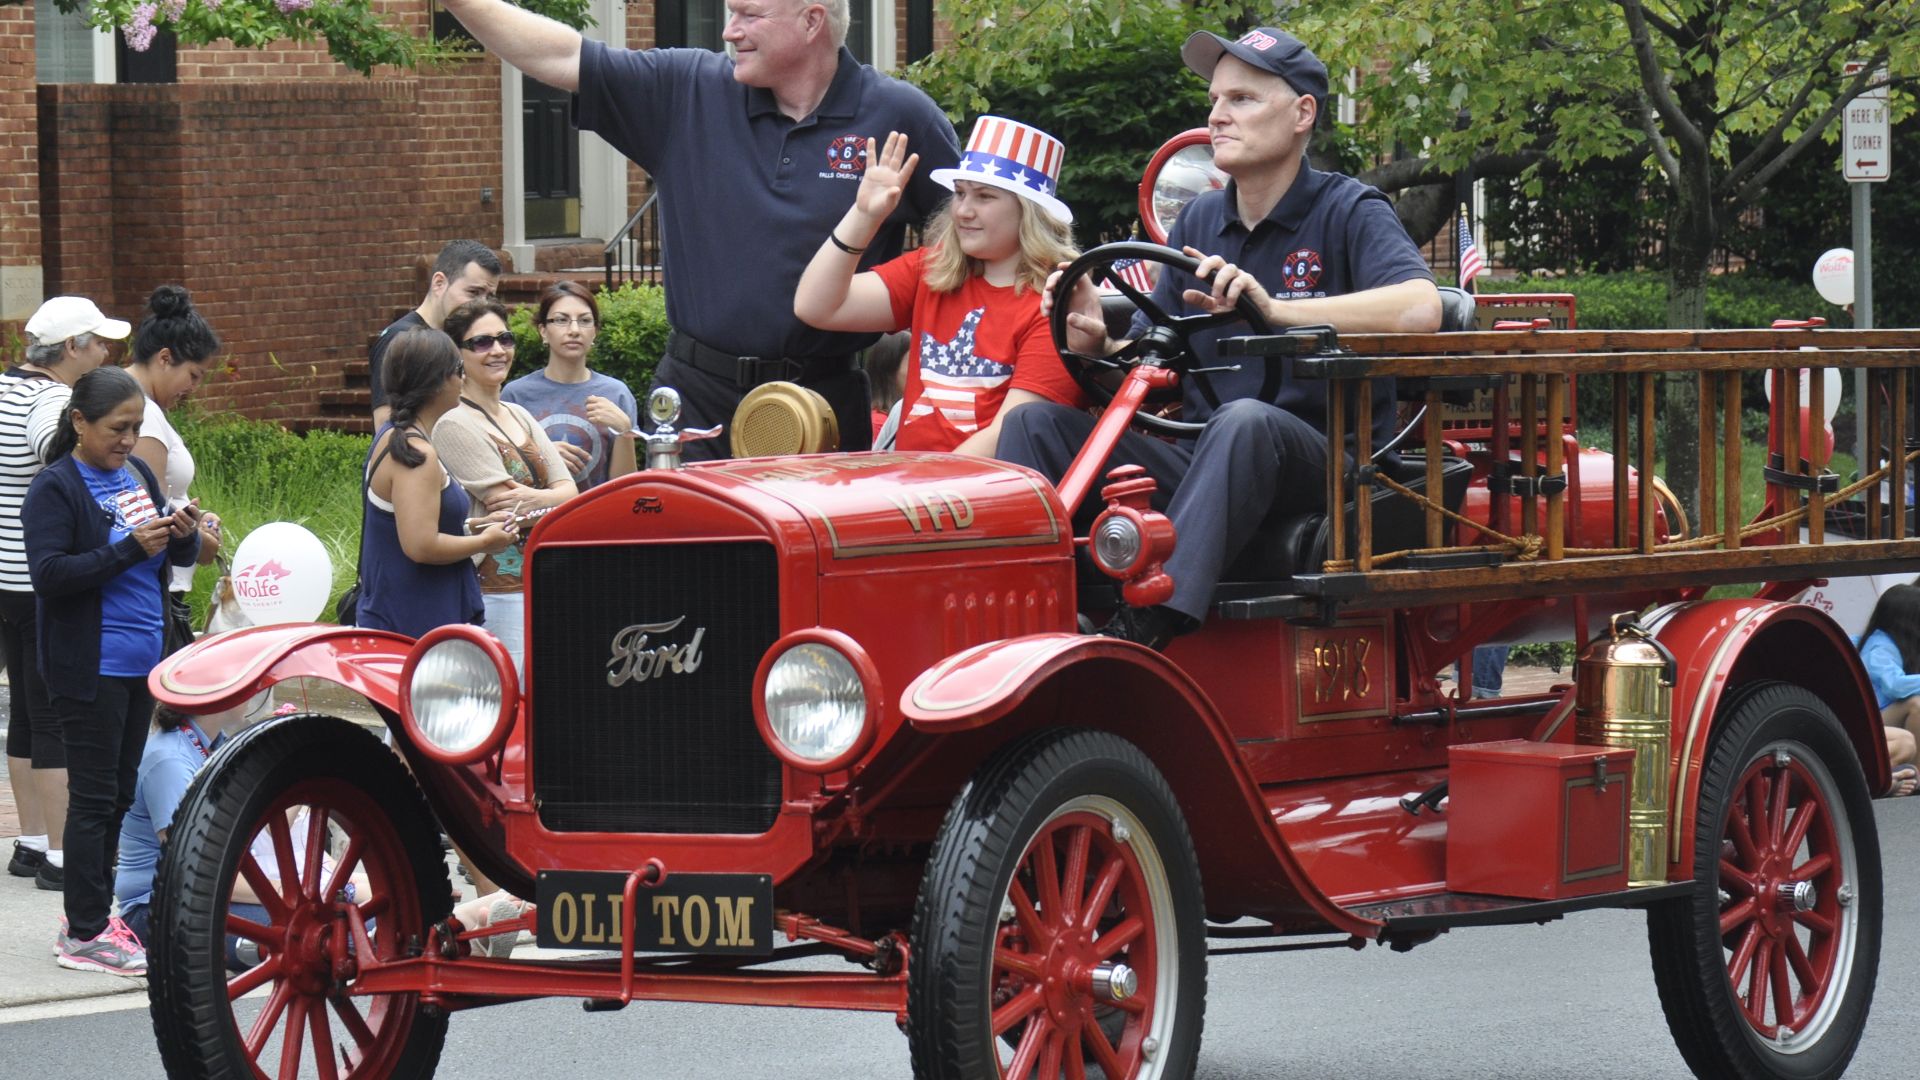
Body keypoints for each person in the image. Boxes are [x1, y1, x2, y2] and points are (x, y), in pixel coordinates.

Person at [1001, 26, 1443, 649]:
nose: (1217, 116)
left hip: (1327, 460)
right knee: (1034, 426)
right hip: (1212, 453)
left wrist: (1278, 309)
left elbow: (1422, 307)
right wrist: (1098, 345)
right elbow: (1157, 351)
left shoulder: (1350, 208)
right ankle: (1037, 613)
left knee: (1245, 421)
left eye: (1241, 99)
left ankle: (1143, 628)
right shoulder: (1202, 217)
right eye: (1214, 100)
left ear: (1302, 113)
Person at [433, 0, 960, 458]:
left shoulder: (899, 115)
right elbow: (564, 55)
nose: (730, 31)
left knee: (811, 569)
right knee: (696, 569)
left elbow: (966, 243)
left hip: (824, 400)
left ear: (811, 21)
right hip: (696, 398)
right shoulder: (687, 89)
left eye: (749, 15)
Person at [24, 366, 201, 976]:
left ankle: (96, 918)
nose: (127, 440)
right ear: (79, 422)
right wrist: (131, 546)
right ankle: (85, 931)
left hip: (139, 661)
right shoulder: (56, 488)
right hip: (88, 665)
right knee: (95, 800)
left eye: (134, 428)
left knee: (121, 795)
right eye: (115, 429)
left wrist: (182, 535)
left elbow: (164, 557)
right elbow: (49, 575)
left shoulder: (137, 474)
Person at [794, 120, 1084, 457]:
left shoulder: (1053, 302)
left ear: (1030, 212)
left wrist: (917, 492)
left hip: (987, 497)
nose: (963, 210)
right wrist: (864, 215)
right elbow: (815, 307)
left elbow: (1010, 434)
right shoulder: (930, 270)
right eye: (960, 193)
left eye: (985, 196)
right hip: (913, 491)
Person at [3, 296, 127, 893]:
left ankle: (28, 842)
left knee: (24, 714)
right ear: (73, 348)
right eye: (99, 342)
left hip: (4, 576)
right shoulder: (52, 400)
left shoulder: (4, 388)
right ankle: (57, 852)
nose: (106, 353)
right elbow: (54, 457)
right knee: (52, 713)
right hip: (39, 579)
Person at [432, 300, 577, 677]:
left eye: (504, 338)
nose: (497, 350)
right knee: (502, 696)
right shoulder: (454, 424)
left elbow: (571, 493)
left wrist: (541, 499)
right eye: (481, 343)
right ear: (457, 354)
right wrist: (552, 499)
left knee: (543, 699)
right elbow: (507, 507)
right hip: (495, 590)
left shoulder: (520, 414)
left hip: (544, 580)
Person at [359, 328, 518, 639]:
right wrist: (487, 543)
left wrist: (477, 526)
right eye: (459, 370)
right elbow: (421, 545)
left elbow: (414, 522)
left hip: (407, 612)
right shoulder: (417, 453)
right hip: (416, 620)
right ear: (437, 382)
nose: (463, 380)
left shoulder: (393, 435)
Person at [125, 286, 227, 652]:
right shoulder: (143, 415)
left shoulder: (134, 401)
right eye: (194, 375)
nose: (193, 388)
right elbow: (144, 515)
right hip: (156, 588)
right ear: (165, 358)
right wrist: (199, 540)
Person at [501, 281, 639, 489]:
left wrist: (625, 432)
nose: (574, 330)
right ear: (543, 331)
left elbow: (625, 486)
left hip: (598, 516)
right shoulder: (516, 395)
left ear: (595, 332)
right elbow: (503, 473)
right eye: (561, 320)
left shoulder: (616, 393)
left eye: (584, 321)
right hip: (538, 518)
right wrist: (544, 458)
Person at [369, 240, 502, 431]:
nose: (482, 304)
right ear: (439, 283)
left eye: (490, 296)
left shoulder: (456, 337)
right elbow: (387, 424)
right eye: (474, 292)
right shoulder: (402, 339)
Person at [1854, 583, 1920, 795]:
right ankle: (1917, 773)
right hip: (1868, 720)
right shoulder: (1879, 645)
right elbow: (1896, 686)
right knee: (1916, 704)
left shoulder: (1900, 644)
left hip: (1881, 718)